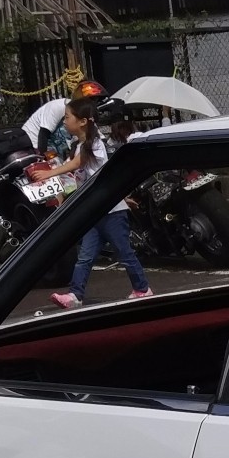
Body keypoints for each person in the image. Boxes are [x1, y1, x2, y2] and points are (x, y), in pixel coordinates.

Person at [40, 97, 149, 310]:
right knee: (85, 257)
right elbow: (77, 177)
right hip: (93, 212)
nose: (64, 122)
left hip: (111, 211)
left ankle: (143, 289)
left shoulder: (96, 144)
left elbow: (78, 163)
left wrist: (49, 173)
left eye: (67, 117)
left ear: (83, 121)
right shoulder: (78, 146)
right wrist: (57, 194)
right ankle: (75, 294)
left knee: (124, 252)